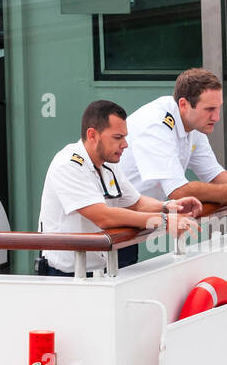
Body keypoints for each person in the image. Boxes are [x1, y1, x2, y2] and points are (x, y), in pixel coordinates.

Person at [117, 68, 227, 265]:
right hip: (100, 224)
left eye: (218, 108)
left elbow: (214, 174)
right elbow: (179, 191)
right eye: (209, 110)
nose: (216, 117)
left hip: (128, 219)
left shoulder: (192, 122)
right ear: (184, 104)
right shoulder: (156, 125)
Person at [37, 100, 202, 277]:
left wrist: (170, 206)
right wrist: (164, 221)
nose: (125, 144)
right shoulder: (68, 165)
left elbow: (136, 202)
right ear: (92, 135)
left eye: (125, 136)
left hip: (103, 268)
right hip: (67, 275)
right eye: (117, 137)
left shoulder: (109, 163)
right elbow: (104, 217)